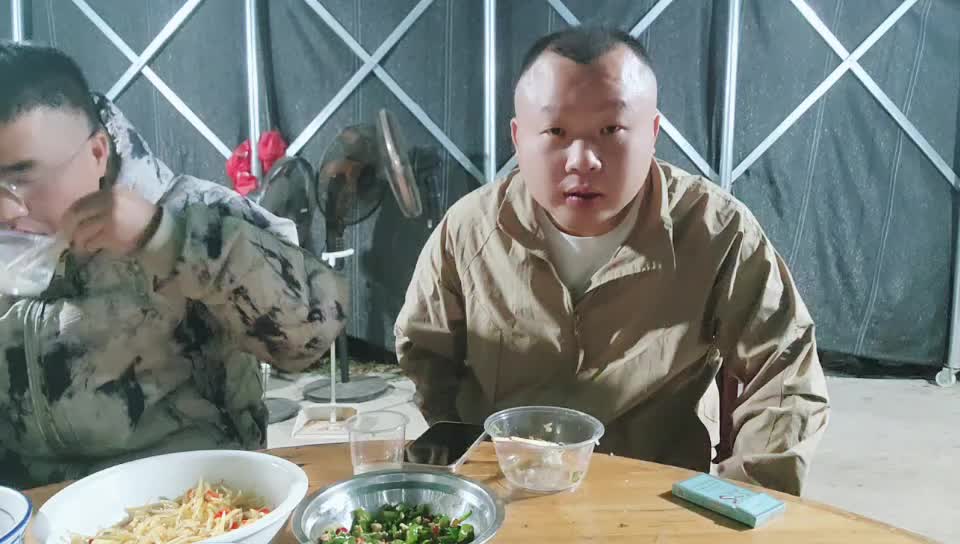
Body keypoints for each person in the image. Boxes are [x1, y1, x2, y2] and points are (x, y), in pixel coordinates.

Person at [395, 27, 829, 495]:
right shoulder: (469, 231)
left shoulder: (715, 231)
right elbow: (424, 348)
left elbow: (786, 369)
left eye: (611, 131)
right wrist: (466, 454)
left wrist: (741, 496)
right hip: (507, 487)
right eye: (556, 132)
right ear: (518, 137)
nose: (583, 160)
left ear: (653, 133)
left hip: (655, 493)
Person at [0, 42, 348, 488]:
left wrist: (167, 239)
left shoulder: (193, 211)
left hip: (190, 499)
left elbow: (312, 333)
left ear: (97, 152)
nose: (8, 210)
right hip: (35, 505)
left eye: (24, 178)